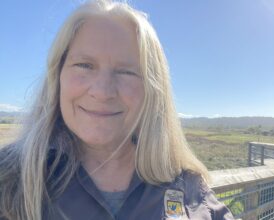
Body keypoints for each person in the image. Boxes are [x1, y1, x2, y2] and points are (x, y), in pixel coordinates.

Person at [0, 1, 234, 219]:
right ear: (58, 75)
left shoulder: (188, 188)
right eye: (84, 65)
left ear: (152, 90)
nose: (102, 91)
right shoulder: (9, 179)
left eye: (126, 71)